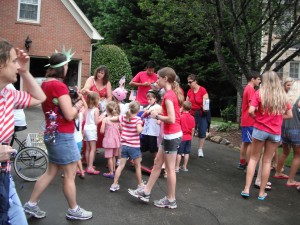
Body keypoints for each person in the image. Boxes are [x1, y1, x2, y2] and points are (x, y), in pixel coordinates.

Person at [23, 50, 92, 220]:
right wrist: (78, 107)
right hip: (63, 135)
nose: (68, 68)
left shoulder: (46, 84)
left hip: (52, 132)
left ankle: (31, 205)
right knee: (70, 175)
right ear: (62, 67)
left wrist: (72, 103)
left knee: (50, 172)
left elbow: (58, 108)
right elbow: (69, 115)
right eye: (67, 65)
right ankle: (73, 210)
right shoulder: (60, 86)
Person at [0, 40, 46, 225]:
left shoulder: (8, 95)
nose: (17, 66)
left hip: (5, 176)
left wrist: (26, 72)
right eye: (13, 61)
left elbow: (40, 97)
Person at [128, 67, 184, 209]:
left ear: (165, 79)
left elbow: (171, 119)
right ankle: (146, 192)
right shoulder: (171, 93)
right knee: (158, 162)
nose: (156, 80)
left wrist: (156, 116)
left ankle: (171, 200)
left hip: (172, 135)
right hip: (169, 135)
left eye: (158, 78)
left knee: (170, 169)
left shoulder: (169, 96)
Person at [241, 71, 292, 201]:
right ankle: (261, 192)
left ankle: (246, 189)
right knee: (267, 161)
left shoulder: (260, 93)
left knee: (253, 159)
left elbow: (251, 110)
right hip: (274, 132)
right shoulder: (282, 96)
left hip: (259, 129)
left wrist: (257, 117)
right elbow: (289, 115)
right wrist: (279, 118)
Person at [109, 101, 144, 192]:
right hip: (134, 146)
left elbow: (112, 119)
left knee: (121, 166)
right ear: (138, 110)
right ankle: (140, 185)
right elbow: (139, 130)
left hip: (124, 145)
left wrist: (119, 120)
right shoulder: (137, 120)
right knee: (137, 166)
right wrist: (143, 127)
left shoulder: (123, 117)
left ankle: (114, 184)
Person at [81, 65, 112, 151]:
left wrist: (105, 104)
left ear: (105, 75)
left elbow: (109, 97)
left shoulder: (107, 83)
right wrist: (88, 91)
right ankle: (86, 148)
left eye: (102, 73)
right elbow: (85, 88)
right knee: (86, 122)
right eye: (99, 72)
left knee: (100, 124)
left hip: (101, 107)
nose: (99, 74)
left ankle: (95, 146)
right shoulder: (91, 79)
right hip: (90, 106)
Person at [238, 71, 261, 170]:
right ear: (252, 79)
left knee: (246, 142)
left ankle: (242, 162)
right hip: (250, 120)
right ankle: (248, 165)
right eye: (258, 79)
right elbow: (253, 106)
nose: (260, 81)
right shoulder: (251, 90)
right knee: (251, 143)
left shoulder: (247, 88)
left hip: (246, 120)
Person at [186, 74, 208, 158]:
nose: (189, 84)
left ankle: (200, 149)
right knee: (188, 131)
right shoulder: (189, 91)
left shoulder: (202, 90)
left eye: (190, 82)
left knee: (202, 131)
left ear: (195, 81)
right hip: (191, 114)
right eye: (188, 82)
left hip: (201, 114)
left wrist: (205, 108)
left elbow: (206, 103)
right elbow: (186, 103)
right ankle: (187, 147)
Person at [100, 101, 121, 179]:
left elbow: (101, 131)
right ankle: (114, 170)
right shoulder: (117, 118)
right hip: (116, 140)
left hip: (109, 140)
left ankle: (111, 172)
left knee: (109, 157)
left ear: (107, 110)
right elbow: (121, 128)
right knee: (113, 156)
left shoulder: (105, 119)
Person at [140, 89, 162, 163]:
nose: (149, 101)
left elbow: (159, 111)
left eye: (150, 99)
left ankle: (156, 163)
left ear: (155, 98)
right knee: (142, 146)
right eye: (148, 99)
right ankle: (138, 160)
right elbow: (144, 112)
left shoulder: (158, 106)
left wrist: (149, 111)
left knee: (154, 148)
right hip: (146, 130)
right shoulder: (148, 106)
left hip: (153, 131)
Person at [83, 91, 101, 175]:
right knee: (93, 149)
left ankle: (88, 165)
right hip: (92, 130)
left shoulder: (87, 109)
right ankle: (90, 167)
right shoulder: (96, 110)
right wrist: (103, 116)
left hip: (86, 129)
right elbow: (96, 122)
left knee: (87, 148)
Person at [175, 101, 195, 172]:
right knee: (187, 153)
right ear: (190, 109)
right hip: (189, 137)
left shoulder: (180, 117)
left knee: (179, 153)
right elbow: (193, 129)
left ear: (182, 107)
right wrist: (191, 137)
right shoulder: (192, 118)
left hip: (181, 137)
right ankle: (184, 167)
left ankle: (177, 167)